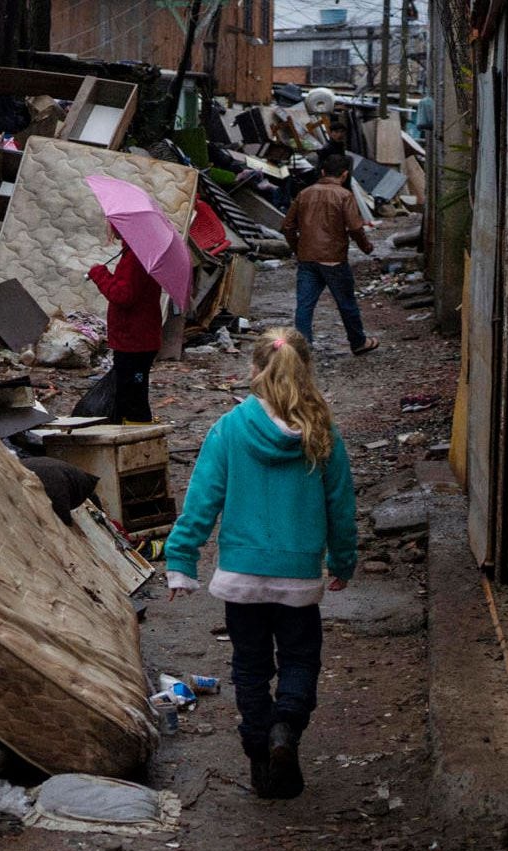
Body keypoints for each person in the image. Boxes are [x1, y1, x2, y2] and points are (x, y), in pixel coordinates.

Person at [164, 329, 358, 799]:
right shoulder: (321, 430)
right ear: (303, 370)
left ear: (254, 372)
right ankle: (285, 730)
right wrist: (343, 560)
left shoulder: (229, 429)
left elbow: (202, 501)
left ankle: (259, 758)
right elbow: (341, 504)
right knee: (299, 659)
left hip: (242, 579)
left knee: (250, 669)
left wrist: (180, 560)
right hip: (298, 578)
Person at [283, 154, 380, 356]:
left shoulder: (304, 194)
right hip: (334, 258)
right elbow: (355, 228)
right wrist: (366, 247)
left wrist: (297, 248)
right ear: (344, 175)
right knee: (346, 304)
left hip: (307, 257)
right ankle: (358, 342)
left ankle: (302, 348)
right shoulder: (344, 195)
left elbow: (288, 226)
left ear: (323, 172)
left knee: (304, 305)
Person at [87, 229, 164, 423]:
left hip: (134, 341)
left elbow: (123, 295)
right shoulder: (137, 253)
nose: (110, 228)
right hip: (138, 339)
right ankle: (131, 431)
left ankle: (136, 437)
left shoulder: (135, 258)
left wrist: (100, 275)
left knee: (133, 397)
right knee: (132, 393)